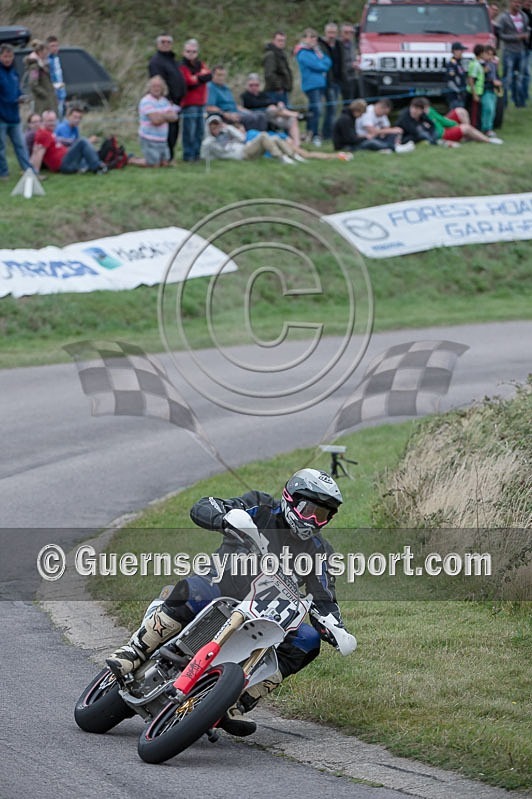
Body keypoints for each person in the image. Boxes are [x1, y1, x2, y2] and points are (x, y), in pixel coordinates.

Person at [106, 468, 356, 736]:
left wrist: (336, 627)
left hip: (265, 615)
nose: (314, 521)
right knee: (198, 590)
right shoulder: (260, 508)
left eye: (323, 515)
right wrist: (225, 518)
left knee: (307, 639)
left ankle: (238, 699)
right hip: (222, 589)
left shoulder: (321, 552)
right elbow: (205, 505)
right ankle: (135, 651)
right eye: (309, 510)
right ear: (291, 498)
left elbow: (325, 596)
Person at [30, 109, 108, 175]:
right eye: (50, 121)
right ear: (43, 121)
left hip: (67, 158)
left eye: (54, 120)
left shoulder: (49, 132)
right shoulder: (44, 134)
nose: (53, 123)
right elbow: (38, 153)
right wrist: (35, 172)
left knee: (88, 157)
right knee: (82, 141)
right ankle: (98, 167)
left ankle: (100, 164)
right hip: (63, 164)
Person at [148, 33, 187, 161]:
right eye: (163, 42)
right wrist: (166, 100)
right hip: (166, 102)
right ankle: (165, 157)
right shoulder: (156, 61)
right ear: (158, 44)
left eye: (168, 42)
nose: (166, 44)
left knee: (174, 130)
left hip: (177, 101)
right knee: (167, 131)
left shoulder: (172, 60)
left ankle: (170, 156)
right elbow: (157, 82)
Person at [199, 114, 300, 163]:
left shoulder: (226, 132)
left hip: (245, 148)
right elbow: (204, 155)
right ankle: (280, 157)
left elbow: (242, 138)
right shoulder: (209, 142)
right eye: (213, 128)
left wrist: (229, 128)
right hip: (241, 155)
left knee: (274, 138)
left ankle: (293, 155)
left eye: (218, 126)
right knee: (263, 135)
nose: (216, 129)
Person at [0, 43, 35, 180]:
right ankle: (3, 173)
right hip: (1, 117)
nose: (8, 59)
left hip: (14, 116)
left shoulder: (14, 72)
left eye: (10, 56)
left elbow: (17, 90)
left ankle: (29, 171)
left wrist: (21, 96)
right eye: (5, 56)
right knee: (1, 148)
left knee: (21, 145)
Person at [240, 73, 302, 147]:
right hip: (259, 115)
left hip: (274, 116)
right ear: (247, 85)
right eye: (251, 85)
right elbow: (254, 104)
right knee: (271, 108)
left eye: (256, 85)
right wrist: (270, 104)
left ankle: (296, 143)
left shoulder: (262, 94)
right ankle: (294, 113)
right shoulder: (245, 96)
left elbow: (270, 101)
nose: (254, 87)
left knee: (292, 119)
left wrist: (278, 103)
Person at [295, 28, 332, 146]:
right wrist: (322, 64)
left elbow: (328, 61)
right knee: (316, 110)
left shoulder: (317, 51)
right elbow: (318, 65)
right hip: (311, 85)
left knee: (314, 110)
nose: (311, 40)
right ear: (304, 39)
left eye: (314, 37)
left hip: (321, 84)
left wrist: (322, 63)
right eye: (309, 37)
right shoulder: (302, 53)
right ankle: (314, 134)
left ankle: (310, 132)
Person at [179, 38, 212, 162]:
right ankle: (188, 155)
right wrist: (200, 77)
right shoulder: (182, 66)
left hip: (201, 102)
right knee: (189, 131)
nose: (190, 54)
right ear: (183, 52)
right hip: (189, 103)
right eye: (188, 51)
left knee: (200, 131)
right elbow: (188, 82)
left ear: (197, 53)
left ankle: (197, 154)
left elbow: (209, 75)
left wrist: (196, 78)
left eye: (193, 51)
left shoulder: (201, 64)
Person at [206, 65, 267, 130]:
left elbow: (233, 104)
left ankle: (262, 135)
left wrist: (247, 111)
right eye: (219, 75)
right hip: (226, 115)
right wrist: (226, 114)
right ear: (212, 75)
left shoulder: (225, 88)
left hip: (236, 111)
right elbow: (209, 107)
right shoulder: (211, 88)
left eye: (223, 75)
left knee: (260, 115)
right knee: (252, 118)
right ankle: (252, 137)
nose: (221, 78)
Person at [420, 97, 503, 145]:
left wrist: (454, 124)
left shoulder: (430, 111)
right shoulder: (422, 118)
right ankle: (487, 140)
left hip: (443, 127)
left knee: (460, 111)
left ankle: (469, 136)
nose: (427, 109)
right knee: (465, 128)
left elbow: (441, 120)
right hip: (442, 133)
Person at [137, 75, 179, 166]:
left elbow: (175, 117)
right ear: (149, 88)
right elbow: (156, 121)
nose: (156, 89)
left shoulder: (164, 101)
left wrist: (161, 115)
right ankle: (130, 159)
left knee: (164, 163)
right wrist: (166, 115)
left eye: (159, 86)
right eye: (154, 86)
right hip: (149, 139)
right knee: (153, 164)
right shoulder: (146, 101)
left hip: (162, 139)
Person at [495, 0, 530, 108]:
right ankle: (504, 103)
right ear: (511, 3)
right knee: (507, 78)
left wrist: (526, 36)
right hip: (509, 52)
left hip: (521, 51)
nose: (518, 4)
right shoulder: (503, 17)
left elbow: (527, 30)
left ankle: (519, 102)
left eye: (519, 2)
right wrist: (516, 37)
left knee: (519, 78)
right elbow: (500, 35)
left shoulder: (524, 16)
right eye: (516, 2)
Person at [318, 22, 343, 141]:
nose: (331, 35)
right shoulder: (320, 45)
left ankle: (329, 132)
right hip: (327, 81)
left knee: (334, 108)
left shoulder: (339, 45)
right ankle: (327, 133)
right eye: (329, 32)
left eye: (333, 33)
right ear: (325, 33)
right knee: (331, 107)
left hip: (338, 80)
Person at [23, 39, 58, 116]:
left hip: (48, 102)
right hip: (42, 103)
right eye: (45, 51)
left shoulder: (44, 64)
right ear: (40, 52)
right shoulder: (35, 67)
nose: (47, 54)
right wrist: (45, 94)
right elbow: (33, 84)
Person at [263, 31, 293, 106]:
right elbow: (269, 74)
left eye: (283, 41)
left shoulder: (281, 54)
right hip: (275, 91)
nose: (282, 43)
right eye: (279, 40)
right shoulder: (271, 55)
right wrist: (279, 87)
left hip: (283, 89)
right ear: (273, 41)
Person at [480, 45, 503, 136]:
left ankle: (489, 127)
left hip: (493, 90)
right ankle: (485, 128)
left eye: (491, 55)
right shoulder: (481, 64)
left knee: (492, 110)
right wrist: (492, 81)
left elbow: (495, 75)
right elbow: (481, 77)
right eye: (487, 54)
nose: (489, 57)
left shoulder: (493, 64)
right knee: (487, 108)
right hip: (485, 89)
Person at [46, 35, 66, 119]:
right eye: (52, 46)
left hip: (61, 95)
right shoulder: (47, 61)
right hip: (53, 96)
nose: (55, 48)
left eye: (56, 46)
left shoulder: (57, 59)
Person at [466, 43, 486, 128]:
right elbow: (471, 79)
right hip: (475, 92)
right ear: (481, 53)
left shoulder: (477, 64)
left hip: (478, 91)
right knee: (474, 113)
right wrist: (474, 94)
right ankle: (473, 129)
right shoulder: (475, 65)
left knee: (477, 112)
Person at [445, 42, 468, 111]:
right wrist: (458, 91)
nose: (462, 53)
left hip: (461, 94)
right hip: (455, 96)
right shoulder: (451, 64)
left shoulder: (460, 63)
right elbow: (450, 81)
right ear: (455, 51)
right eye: (460, 50)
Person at [339, 22, 357, 104]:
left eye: (351, 32)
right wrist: (352, 65)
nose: (349, 34)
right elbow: (338, 63)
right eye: (346, 32)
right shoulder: (338, 45)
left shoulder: (352, 44)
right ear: (341, 33)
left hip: (352, 76)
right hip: (342, 78)